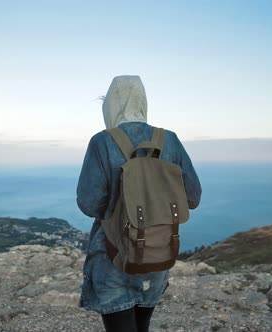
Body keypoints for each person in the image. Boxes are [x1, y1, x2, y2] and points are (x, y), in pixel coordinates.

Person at [76, 75, 202, 332]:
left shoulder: (102, 141)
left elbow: (89, 204)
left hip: (113, 257)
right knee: (141, 326)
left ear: (110, 106)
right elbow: (193, 198)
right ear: (143, 102)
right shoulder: (170, 140)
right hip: (157, 252)